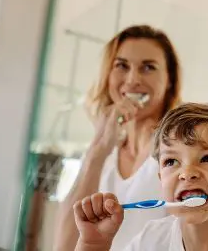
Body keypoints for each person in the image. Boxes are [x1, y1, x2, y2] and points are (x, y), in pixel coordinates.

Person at [71, 102, 208, 251]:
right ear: (161, 178)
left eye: (207, 158)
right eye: (171, 162)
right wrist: (93, 245)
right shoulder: (152, 239)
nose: (187, 173)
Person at [54, 25, 183, 251]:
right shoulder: (103, 154)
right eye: (122, 66)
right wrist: (98, 151)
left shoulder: (179, 151)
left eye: (148, 67)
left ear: (169, 79)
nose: (133, 79)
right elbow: (64, 245)